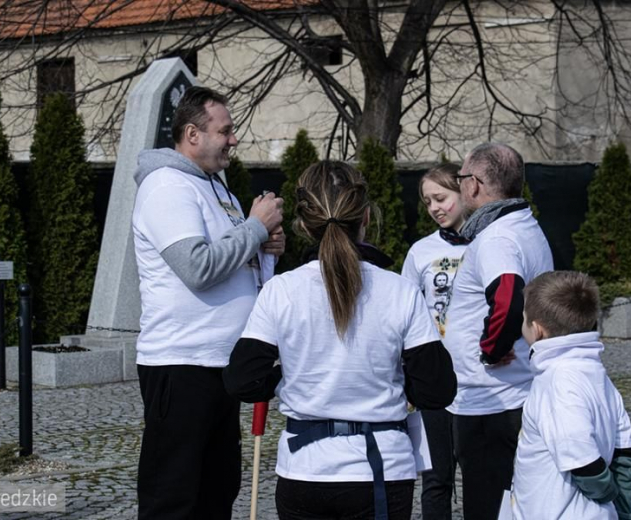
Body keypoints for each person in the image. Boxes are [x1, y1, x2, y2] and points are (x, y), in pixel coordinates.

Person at [223, 160, 456, 520]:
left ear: (302, 224)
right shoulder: (400, 290)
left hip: (305, 469)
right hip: (381, 469)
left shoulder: (280, 291)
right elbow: (438, 389)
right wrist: (390, 379)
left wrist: (286, 375)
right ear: (364, 216)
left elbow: (241, 379)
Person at [131, 86, 285, 519]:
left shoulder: (219, 190)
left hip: (220, 363)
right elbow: (197, 267)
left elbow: (240, 269)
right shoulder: (167, 186)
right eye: (226, 130)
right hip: (181, 363)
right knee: (174, 497)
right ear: (193, 134)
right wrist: (255, 229)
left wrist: (266, 249)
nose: (233, 139)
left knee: (217, 492)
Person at [446, 142, 553, 520]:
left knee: (487, 506)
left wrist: (490, 351)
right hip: (508, 394)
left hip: (490, 400)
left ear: (474, 185)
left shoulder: (498, 237)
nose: (459, 187)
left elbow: (507, 297)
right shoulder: (522, 224)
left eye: (461, 179)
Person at [513, 271, 631, 519]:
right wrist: (625, 509)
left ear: (537, 329)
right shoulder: (596, 373)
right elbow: (625, 453)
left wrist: (607, 493)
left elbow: (581, 458)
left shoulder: (558, 381)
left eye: (523, 318)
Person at [402, 164, 468, 520]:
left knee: (482, 477)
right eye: (428, 201)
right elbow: (405, 314)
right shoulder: (420, 252)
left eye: (441, 198)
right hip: (435, 379)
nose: (435, 208)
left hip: (479, 379)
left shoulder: (490, 243)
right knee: (436, 476)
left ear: (463, 193)